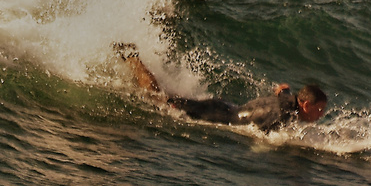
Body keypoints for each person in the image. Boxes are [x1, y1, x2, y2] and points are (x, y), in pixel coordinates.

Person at [119, 46, 328, 132]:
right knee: (158, 98)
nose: (321, 115)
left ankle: (131, 59)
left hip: (226, 106)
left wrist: (284, 88)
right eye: (319, 110)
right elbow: (264, 138)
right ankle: (131, 57)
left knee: (167, 98)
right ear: (306, 104)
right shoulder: (282, 115)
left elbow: (281, 90)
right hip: (218, 114)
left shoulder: (290, 100)